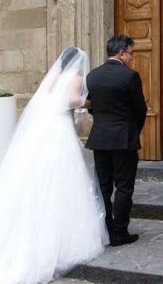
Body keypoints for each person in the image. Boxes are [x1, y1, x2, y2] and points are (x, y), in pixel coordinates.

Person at [0, 47, 108, 284]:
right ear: (78, 63)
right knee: (63, 176)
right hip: (59, 129)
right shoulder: (77, 77)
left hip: (44, 129)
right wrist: (89, 102)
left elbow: (50, 100)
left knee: (41, 174)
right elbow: (71, 100)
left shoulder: (56, 78)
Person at [86, 35, 147, 246]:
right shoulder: (129, 76)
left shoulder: (92, 76)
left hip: (99, 138)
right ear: (121, 53)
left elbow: (93, 107)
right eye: (131, 53)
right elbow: (140, 109)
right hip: (123, 139)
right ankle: (119, 233)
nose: (132, 58)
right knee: (124, 186)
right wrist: (133, 130)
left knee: (103, 186)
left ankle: (104, 230)